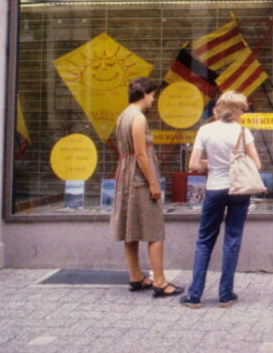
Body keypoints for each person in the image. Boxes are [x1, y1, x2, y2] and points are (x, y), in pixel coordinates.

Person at [180, 90, 262, 308]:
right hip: (238, 189)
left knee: (205, 240)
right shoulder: (243, 132)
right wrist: (235, 161)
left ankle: (194, 295)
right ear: (238, 111)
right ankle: (225, 294)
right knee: (232, 239)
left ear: (219, 108)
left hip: (215, 188)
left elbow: (193, 164)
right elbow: (257, 164)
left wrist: (213, 163)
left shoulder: (205, 130)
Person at [109, 77, 182, 298]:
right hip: (139, 178)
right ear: (144, 94)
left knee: (130, 230)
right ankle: (160, 282)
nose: (153, 99)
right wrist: (153, 183)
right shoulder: (138, 118)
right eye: (152, 95)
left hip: (126, 175)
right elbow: (141, 154)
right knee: (155, 230)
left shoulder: (124, 115)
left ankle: (136, 276)